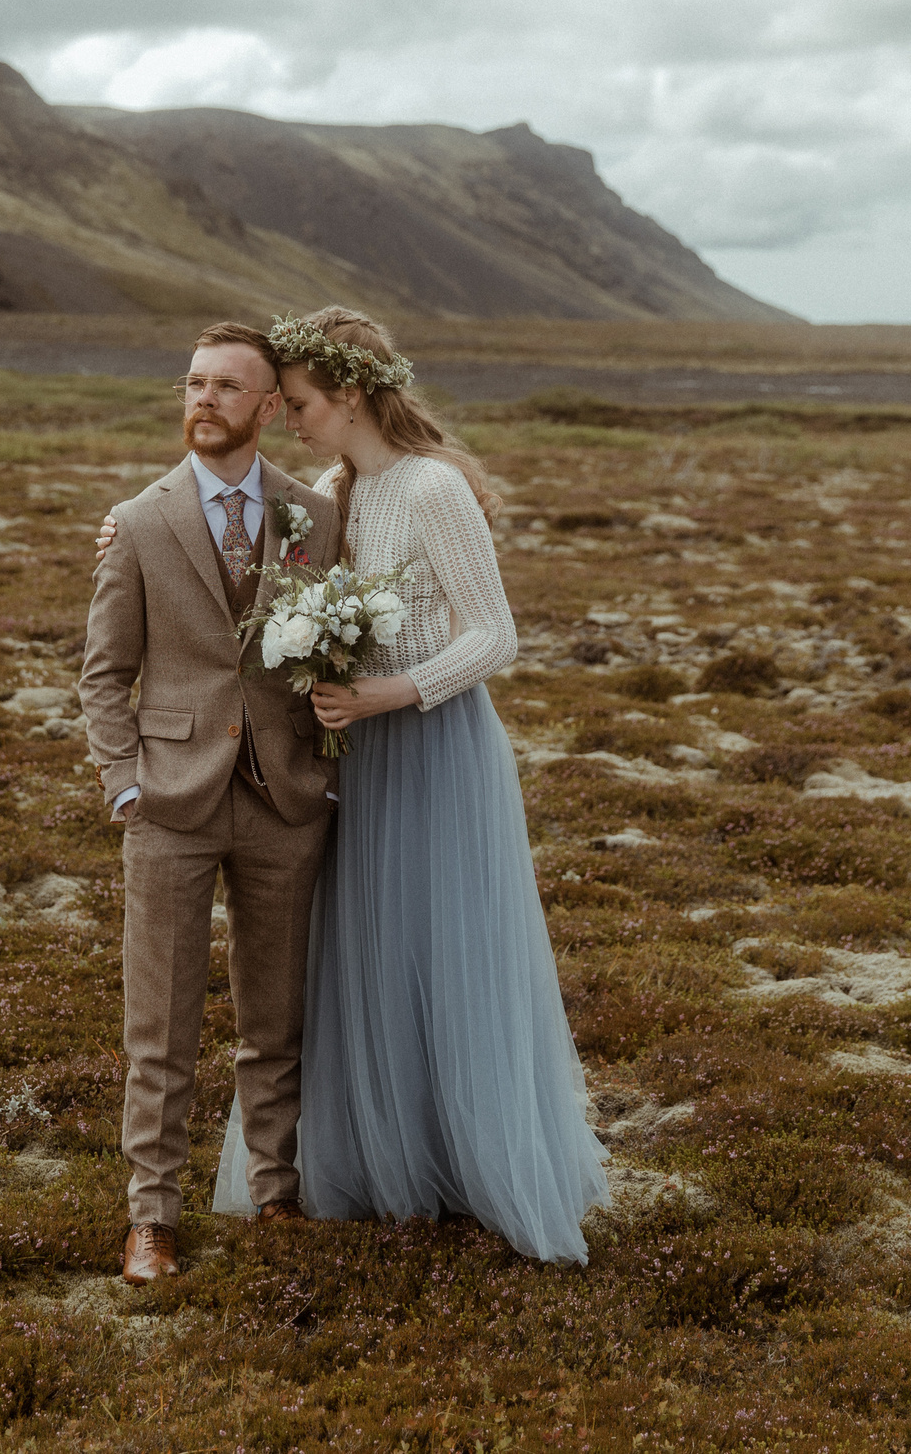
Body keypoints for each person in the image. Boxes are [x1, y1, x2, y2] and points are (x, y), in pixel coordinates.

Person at [98, 308, 607, 1264]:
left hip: (425, 746)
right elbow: (219, 568)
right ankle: (363, 1166)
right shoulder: (331, 492)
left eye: (296, 401)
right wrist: (133, 536)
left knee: (438, 960)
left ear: (350, 394)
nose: (288, 417)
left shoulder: (423, 490)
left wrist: (392, 692)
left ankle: (462, 1162)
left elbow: (495, 634)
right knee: (361, 963)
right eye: (278, 400)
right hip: (343, 761)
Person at [78, 321, 345, 1286]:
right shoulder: (139, 522)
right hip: (171, 806)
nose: (204, 400)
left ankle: (274, 1194)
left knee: (277, 1019)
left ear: (269, 407)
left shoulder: (316, 517)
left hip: (287, 802)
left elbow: (343, 651)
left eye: (228, 387)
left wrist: (330, 764)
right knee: (162, 1026)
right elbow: (104, 675)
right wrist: (125, 785)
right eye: (194, 382)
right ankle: (151, 1219)